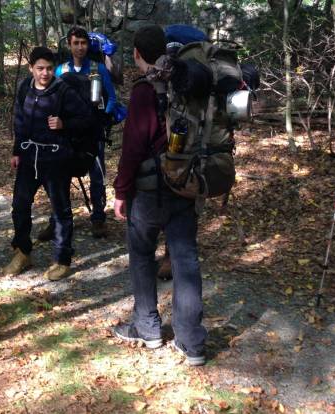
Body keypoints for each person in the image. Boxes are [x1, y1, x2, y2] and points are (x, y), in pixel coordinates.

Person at [111, 24, 207, 366]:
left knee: (141, 255)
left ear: (137, 54)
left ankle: (148, 328)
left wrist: (121, 191)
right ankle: (192, 342)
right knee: (185, 261)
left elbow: (133, 149)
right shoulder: (184, 84)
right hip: (184, 184)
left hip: (149, 193)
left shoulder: (143, 92)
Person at [2, 46, 94, 281]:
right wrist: (16, 150)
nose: (45, 73)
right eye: (40, 68)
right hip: (28, 157)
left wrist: (64, 124)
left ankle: (62, 259)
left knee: (60, 210)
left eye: (49, 68)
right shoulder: (25, 87)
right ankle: (22, 251)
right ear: (31, 68)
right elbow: (20, 120)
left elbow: (87, 119)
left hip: (56, 158)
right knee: (20, 206)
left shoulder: (63, 90)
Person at [35, 26, 116, 240]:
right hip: (67, 132)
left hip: (93, 132)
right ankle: (58, 219)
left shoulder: (98, 69)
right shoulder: (60, 71)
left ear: (88, 45)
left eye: (83, 43)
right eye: (76, 43)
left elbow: (112, 98)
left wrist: (104, 118)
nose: (80, 47)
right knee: (58, 175)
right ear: (69, 45)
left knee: (97, 176)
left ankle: (98, 219)